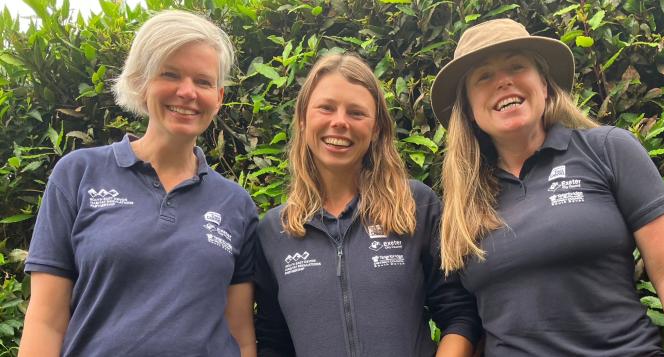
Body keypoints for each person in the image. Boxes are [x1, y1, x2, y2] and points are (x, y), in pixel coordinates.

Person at [432, 18, 664, 356]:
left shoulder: (607, 150)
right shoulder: (462, 202)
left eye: (517, 65)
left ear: (544, 85)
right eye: (484, 76)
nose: (503, 81)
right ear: (469, 109)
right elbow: (465, 318)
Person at [19, 10, 257, 357]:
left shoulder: (236, 204)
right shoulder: (78, 174)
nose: (187, 92)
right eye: (170, 74)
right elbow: (46, 320)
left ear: (218, 97)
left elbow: (240, 333)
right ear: (140, 83)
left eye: (203, 82)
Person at [254, 53, 482, 357]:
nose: (339, 122)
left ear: (375, 129)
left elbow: (460, 314)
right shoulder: (274, 231)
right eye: (326, 108)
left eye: (357, 113)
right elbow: (273, 342)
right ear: (303, 118)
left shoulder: (416, 206)